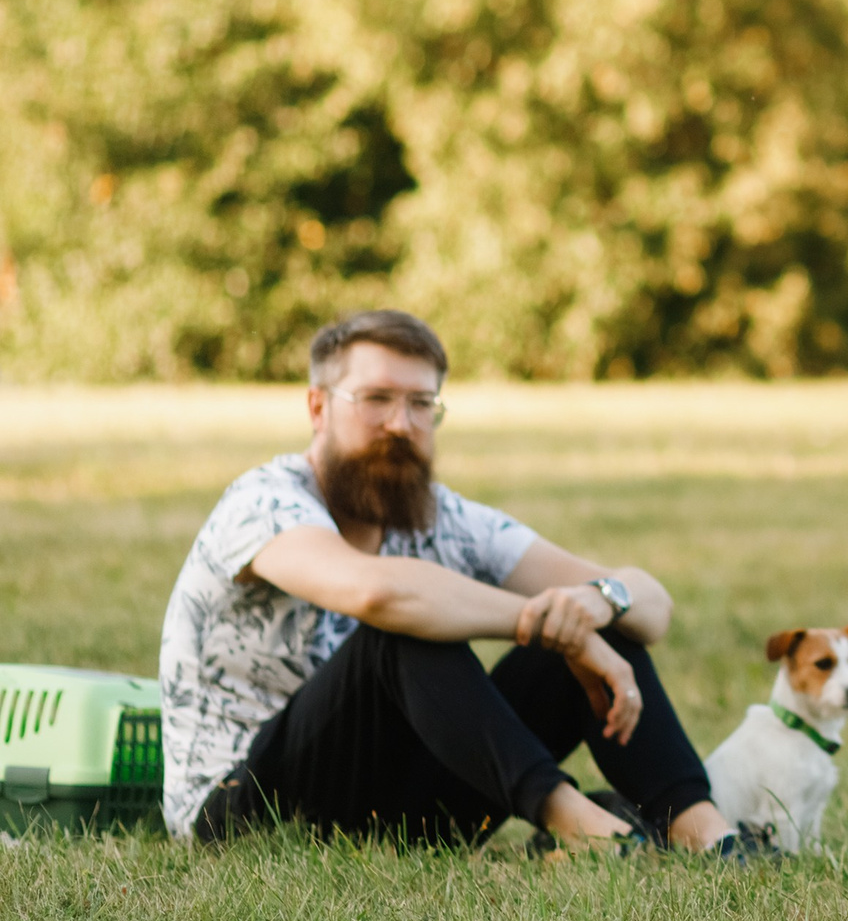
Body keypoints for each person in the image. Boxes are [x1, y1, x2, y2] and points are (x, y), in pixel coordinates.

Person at [158, 309, 752, 855]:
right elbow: (377, 594)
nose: (401, 422)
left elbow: (651, 605)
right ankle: (579, 825)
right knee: (401, 628)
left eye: (422, 403)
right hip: (243, 808)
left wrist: (597, 604)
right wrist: (545, 624)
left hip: (394, 811)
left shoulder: (443, 517)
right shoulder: (263, 501)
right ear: (318, 407)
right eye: (376, 398)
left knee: (603, 622)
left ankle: (704, 831)